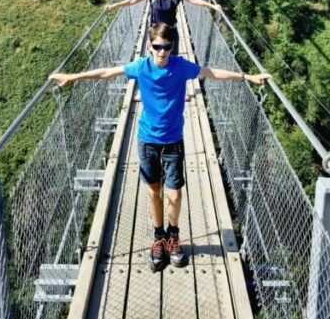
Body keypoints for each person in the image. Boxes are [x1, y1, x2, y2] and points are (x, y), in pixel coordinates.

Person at [50, 22, 271, 272]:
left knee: (174, 194)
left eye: (166, 47)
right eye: (157, 47)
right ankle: (159, 238)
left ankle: (173, 235)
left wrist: (246, 77)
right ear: (149, 46)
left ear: (172, 47)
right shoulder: (140, 66)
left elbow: (210, 72)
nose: (162, 52)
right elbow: (107, 73)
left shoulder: (180, 66)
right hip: (147, 140)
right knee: (153, 192)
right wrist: (73, 76)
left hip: (173, 140)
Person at [105, 0, 221, 55]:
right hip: (155, 32)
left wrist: (212, 6)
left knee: (172, 58)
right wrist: (114, 6)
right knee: (156, 58)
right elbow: (133, 0)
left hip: (171, 32)